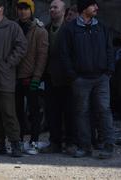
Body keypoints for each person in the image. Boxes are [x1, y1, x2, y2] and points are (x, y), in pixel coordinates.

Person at [60, 0, 115, 159]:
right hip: (81, 79)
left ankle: (108, 146)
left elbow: (109, 49)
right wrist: (73, 76)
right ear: (84, 8)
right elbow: (64, 55)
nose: (97, 7)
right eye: (93, 5)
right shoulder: (70, 29)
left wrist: (109, 71)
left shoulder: (102, 27)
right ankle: (85, 147)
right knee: (82, 113)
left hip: (101, 78)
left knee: (104, 110)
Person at [0, 0, 27, 157]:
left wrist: (8, 63)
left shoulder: (12, 27)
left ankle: (15, 144)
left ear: (1, 9)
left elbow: (22, 46)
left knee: (9, 114)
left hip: (5, 78)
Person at [41, 0, 77, 154]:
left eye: (55, 7)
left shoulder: (70, 30)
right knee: (52, 112)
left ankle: (70, 143)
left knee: (69, 112)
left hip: (67, 77)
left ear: (63, 11)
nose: (52, 10)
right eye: (50, 7)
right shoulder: (45, 29)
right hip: (50, 76)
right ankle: (54, 142)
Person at [15, 0, 48, 155]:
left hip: (31, 77)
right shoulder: (14, 27)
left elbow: (42, 56)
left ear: (32, 10)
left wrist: (36, 77)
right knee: (17, 111)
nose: (23, 12)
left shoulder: (39, 30)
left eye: (26, 9)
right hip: (15, 77)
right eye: (20, 8)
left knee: (34, 111)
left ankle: (34, 141)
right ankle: (20, 141)